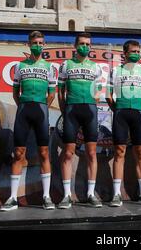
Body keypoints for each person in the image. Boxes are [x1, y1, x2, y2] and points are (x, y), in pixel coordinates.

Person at [1, 31, 57, 211]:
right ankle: (12, 198)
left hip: (41, 109)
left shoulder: (49, 67)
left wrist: (42, 106)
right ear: (29, 44)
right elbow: (15, 92)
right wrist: (24, 105)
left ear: (44, 45)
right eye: (35, 42)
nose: (38, 45)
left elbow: (52, 93)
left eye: (41, 43)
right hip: (24, 109)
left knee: (44, 153)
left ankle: (46, 197)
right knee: (18, 153)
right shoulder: (20, 66)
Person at [106, 40, 141, 207]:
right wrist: (118, 109)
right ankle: (116, 194)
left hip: (137, 114)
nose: (136, 53)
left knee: (140, 152)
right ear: (125, 53)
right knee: (119, 152)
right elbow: (108, 95)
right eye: (133, 51)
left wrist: (138, 109)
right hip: (120, 113)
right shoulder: (115, 70)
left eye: (138, 51)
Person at [57, 32, 103, 208]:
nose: (85, 46)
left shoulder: (96, 67)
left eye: (88, 44)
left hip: (90, 110)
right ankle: (66, 195)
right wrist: (65, 109)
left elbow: (99, 91)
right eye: (82, 43)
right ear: (75, 46)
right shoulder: (66, 64)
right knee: (68, 153)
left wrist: (93, 102)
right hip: (71, 110)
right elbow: (61, 91)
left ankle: (91, 194)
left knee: (91, 153)